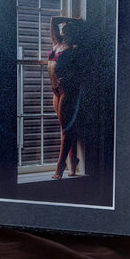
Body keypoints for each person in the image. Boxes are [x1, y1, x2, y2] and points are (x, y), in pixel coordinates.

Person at [48, 16, 86, 179]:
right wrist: (71, 19)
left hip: (68, 90)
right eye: (65, 28)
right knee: (68, 128)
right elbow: (53, 20)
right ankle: (73, 159)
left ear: (75, 32)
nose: (65, 29)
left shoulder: (75, 47)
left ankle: (60, 167)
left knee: (66, 129)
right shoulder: (57, 43)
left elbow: (80, 71)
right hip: (55, 90)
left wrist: (78, 23)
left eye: (69, 28)